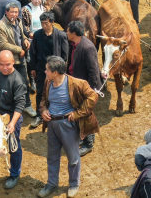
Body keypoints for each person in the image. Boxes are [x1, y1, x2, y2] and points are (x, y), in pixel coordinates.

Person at [37, 55, 99, 198]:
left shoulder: (77, 83)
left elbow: (93, 97)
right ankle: (51, 184)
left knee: (73, 157)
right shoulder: (48, 82)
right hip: (52, 124)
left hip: (68, 125)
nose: (45, 72)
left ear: (56, 72)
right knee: (52, 156)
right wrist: (44, 110)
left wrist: (78, 113)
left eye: (47, 70)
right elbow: (43, 100)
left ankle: (73, 184)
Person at [0, 50, 28, 190]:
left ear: (13, 63)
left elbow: (20, 105)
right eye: (2, 64)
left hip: (10, 119)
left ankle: (15, 174)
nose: (5, 68)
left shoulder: (17, 80)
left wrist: (12, 123)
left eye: (8, 65)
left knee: (13, 147)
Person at [64, 20, 101, 154]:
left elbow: (93, 71)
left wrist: (92, 91)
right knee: (77, 112)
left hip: (85, 88)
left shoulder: (87, 47)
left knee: (86, 114)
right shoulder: (72, 44)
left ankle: (88, 143)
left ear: (74, 33)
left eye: (68, 30)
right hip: (74, 85)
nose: (66, 32)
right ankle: (81, 136)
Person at [0, 2, 36, 116]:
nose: (14, 14)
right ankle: (9, 107)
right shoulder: (0, 26)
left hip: (21, 60)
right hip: (8, 62)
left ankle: (27, 105)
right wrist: (19, 50)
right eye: (12, 12)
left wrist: (26, 40)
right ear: (6, 12)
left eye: (16, 12)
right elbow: (3, 45)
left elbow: (22, 35)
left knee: (23, 83)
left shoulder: (18, 21)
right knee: (8, 85)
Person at [29, 12, 69, 128]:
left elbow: (65, 55)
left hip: (56, 71)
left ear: (52, 23)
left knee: (56, 91)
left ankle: (55, 113)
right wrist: (33, 68)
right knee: (40, 92)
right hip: (41, 69)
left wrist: (60, 71)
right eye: (42, 23)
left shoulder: (61, 35)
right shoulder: (37, 35)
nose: (44, 26)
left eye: (46, 23)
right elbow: (33, 53)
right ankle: (39, 115)